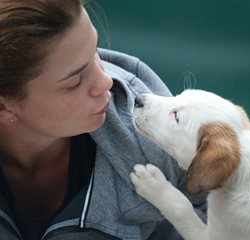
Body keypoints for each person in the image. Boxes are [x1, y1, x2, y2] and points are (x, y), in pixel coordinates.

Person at [0, 0, 207, 239]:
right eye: (75, 82)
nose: (105, 81)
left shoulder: (156, 139)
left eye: (95, 52)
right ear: (4, 107)